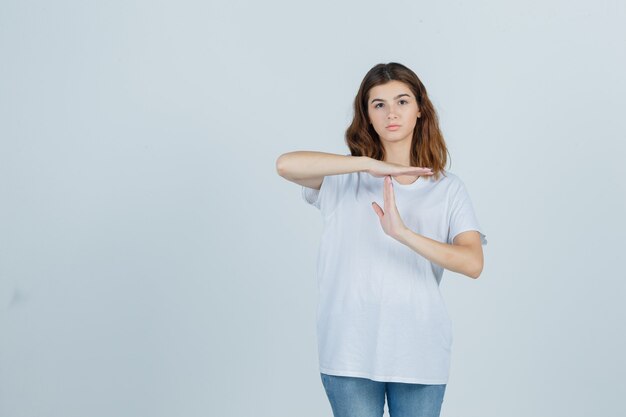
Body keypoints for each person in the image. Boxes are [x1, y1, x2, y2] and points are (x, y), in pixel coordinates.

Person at [275, 62, 487, 417]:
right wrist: (367, 165)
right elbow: (285, 165)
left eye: (402, 101)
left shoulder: (448, 188)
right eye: (379, 104)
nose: (392, 113)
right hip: (348, 350)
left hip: (419, 350)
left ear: (420, 110)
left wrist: (403, 234)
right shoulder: (343, 178)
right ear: (367, 116)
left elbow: (473, 262)